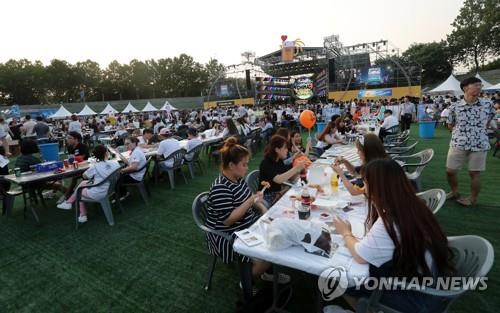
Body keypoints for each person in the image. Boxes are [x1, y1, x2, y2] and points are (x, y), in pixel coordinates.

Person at [333, 159, 452, 313]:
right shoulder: (412, 205)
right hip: (429, 280)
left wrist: (345, 232)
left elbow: (359, 255)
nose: (364, 188)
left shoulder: (390, 220)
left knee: (339, 281)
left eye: (366, 183)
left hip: (417, 296)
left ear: (378, 187)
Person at [206, 137, 286, 284]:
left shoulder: (238, 178)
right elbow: (229, 220)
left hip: (247, 224)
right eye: (244, 164)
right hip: (226, 234)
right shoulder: (220, 188)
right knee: (269, 252)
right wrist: (251, 201)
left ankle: (264, 272)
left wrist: (263, 210)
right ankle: (247, 281)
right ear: (231, 165)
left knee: (278, 233)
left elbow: (251, 199)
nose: (246, 167)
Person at [446, 77, 496, 207]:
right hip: (458, 142)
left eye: (480, 85)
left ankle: (473, 199)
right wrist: (460, 133)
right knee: (450, 171)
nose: (479, 88)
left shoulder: (487, 104)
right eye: (476, 85)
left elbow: (490, 119)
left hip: (479, 143)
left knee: (474, 173)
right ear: (465, 88)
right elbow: (450, 124)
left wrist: (478, 131)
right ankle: (455, 191)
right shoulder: (454, 106)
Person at [57, 145, 121, 223]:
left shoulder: (95, 167)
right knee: (83, 184)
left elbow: (84, 176)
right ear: (106, 153)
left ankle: (81, 213)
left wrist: (93, 167)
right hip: (111, 189)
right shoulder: (115, 163)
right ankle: (70, 204)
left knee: (79, 191)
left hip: (99, 192)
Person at [259, 135, 306, 205]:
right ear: (277, 149)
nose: (287, 150)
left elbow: (290, 178)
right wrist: (296, 168)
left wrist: (299, 170)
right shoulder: (266, 163)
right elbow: (278, 180)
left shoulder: (279, 160)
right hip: (268, 196)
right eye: (285, 148)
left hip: (279, 192)